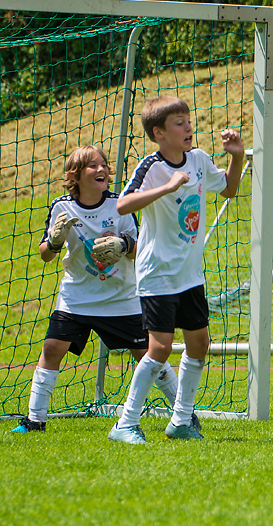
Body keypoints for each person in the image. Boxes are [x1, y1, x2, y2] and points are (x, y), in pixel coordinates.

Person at [11, 145, 182, 433]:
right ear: (75, 175)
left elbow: (140, 248)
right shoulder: (61, 206)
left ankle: (184, 414)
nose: (101, 169)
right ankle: (35, 420)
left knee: (149, 355)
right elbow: (45, 254)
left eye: (103, 164)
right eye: (92, 165)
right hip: (76, 298)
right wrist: (54, 241)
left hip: (121, 297)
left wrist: (123, 245)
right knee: (52, 348)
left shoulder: (120, 204)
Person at [108, 95, 244, 444]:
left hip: (189, 275)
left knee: (199, 343)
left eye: (188, 120)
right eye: (179, 122)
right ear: (159, 132)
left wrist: (237, 157)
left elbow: (228, 189)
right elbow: (123, 204)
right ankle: (125, 423)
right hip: (158, 273)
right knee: (160, 348)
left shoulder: (198, 159)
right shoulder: (152, 167)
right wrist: (167, 187)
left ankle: (181, 421)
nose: (188, 127)